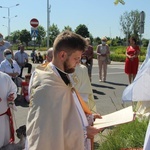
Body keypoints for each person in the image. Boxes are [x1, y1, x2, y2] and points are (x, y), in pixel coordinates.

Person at [25, 30, 102, 150]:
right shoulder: (47, 87)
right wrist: (84, 132)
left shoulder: (61, 75)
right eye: (76, 58)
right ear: (62, 55)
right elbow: (47, 133)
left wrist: (88, 117)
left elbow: (68, 111)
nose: (78, 63)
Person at [0, 71, 17, 148]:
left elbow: (13, 89)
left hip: (3, 118)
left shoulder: (4, 77)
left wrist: (12, 96)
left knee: (5, 144)